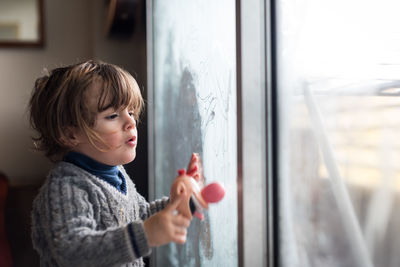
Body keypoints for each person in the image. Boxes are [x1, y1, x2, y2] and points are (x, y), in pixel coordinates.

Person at [28, 60, 200, 267]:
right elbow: (72, 251)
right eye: (112, 115)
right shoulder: (66, 187)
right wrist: (145, 235)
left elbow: (141, 215)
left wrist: (180, 202)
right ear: (70, 134)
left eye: (131, 112)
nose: (131, 122)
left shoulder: (117, 174)